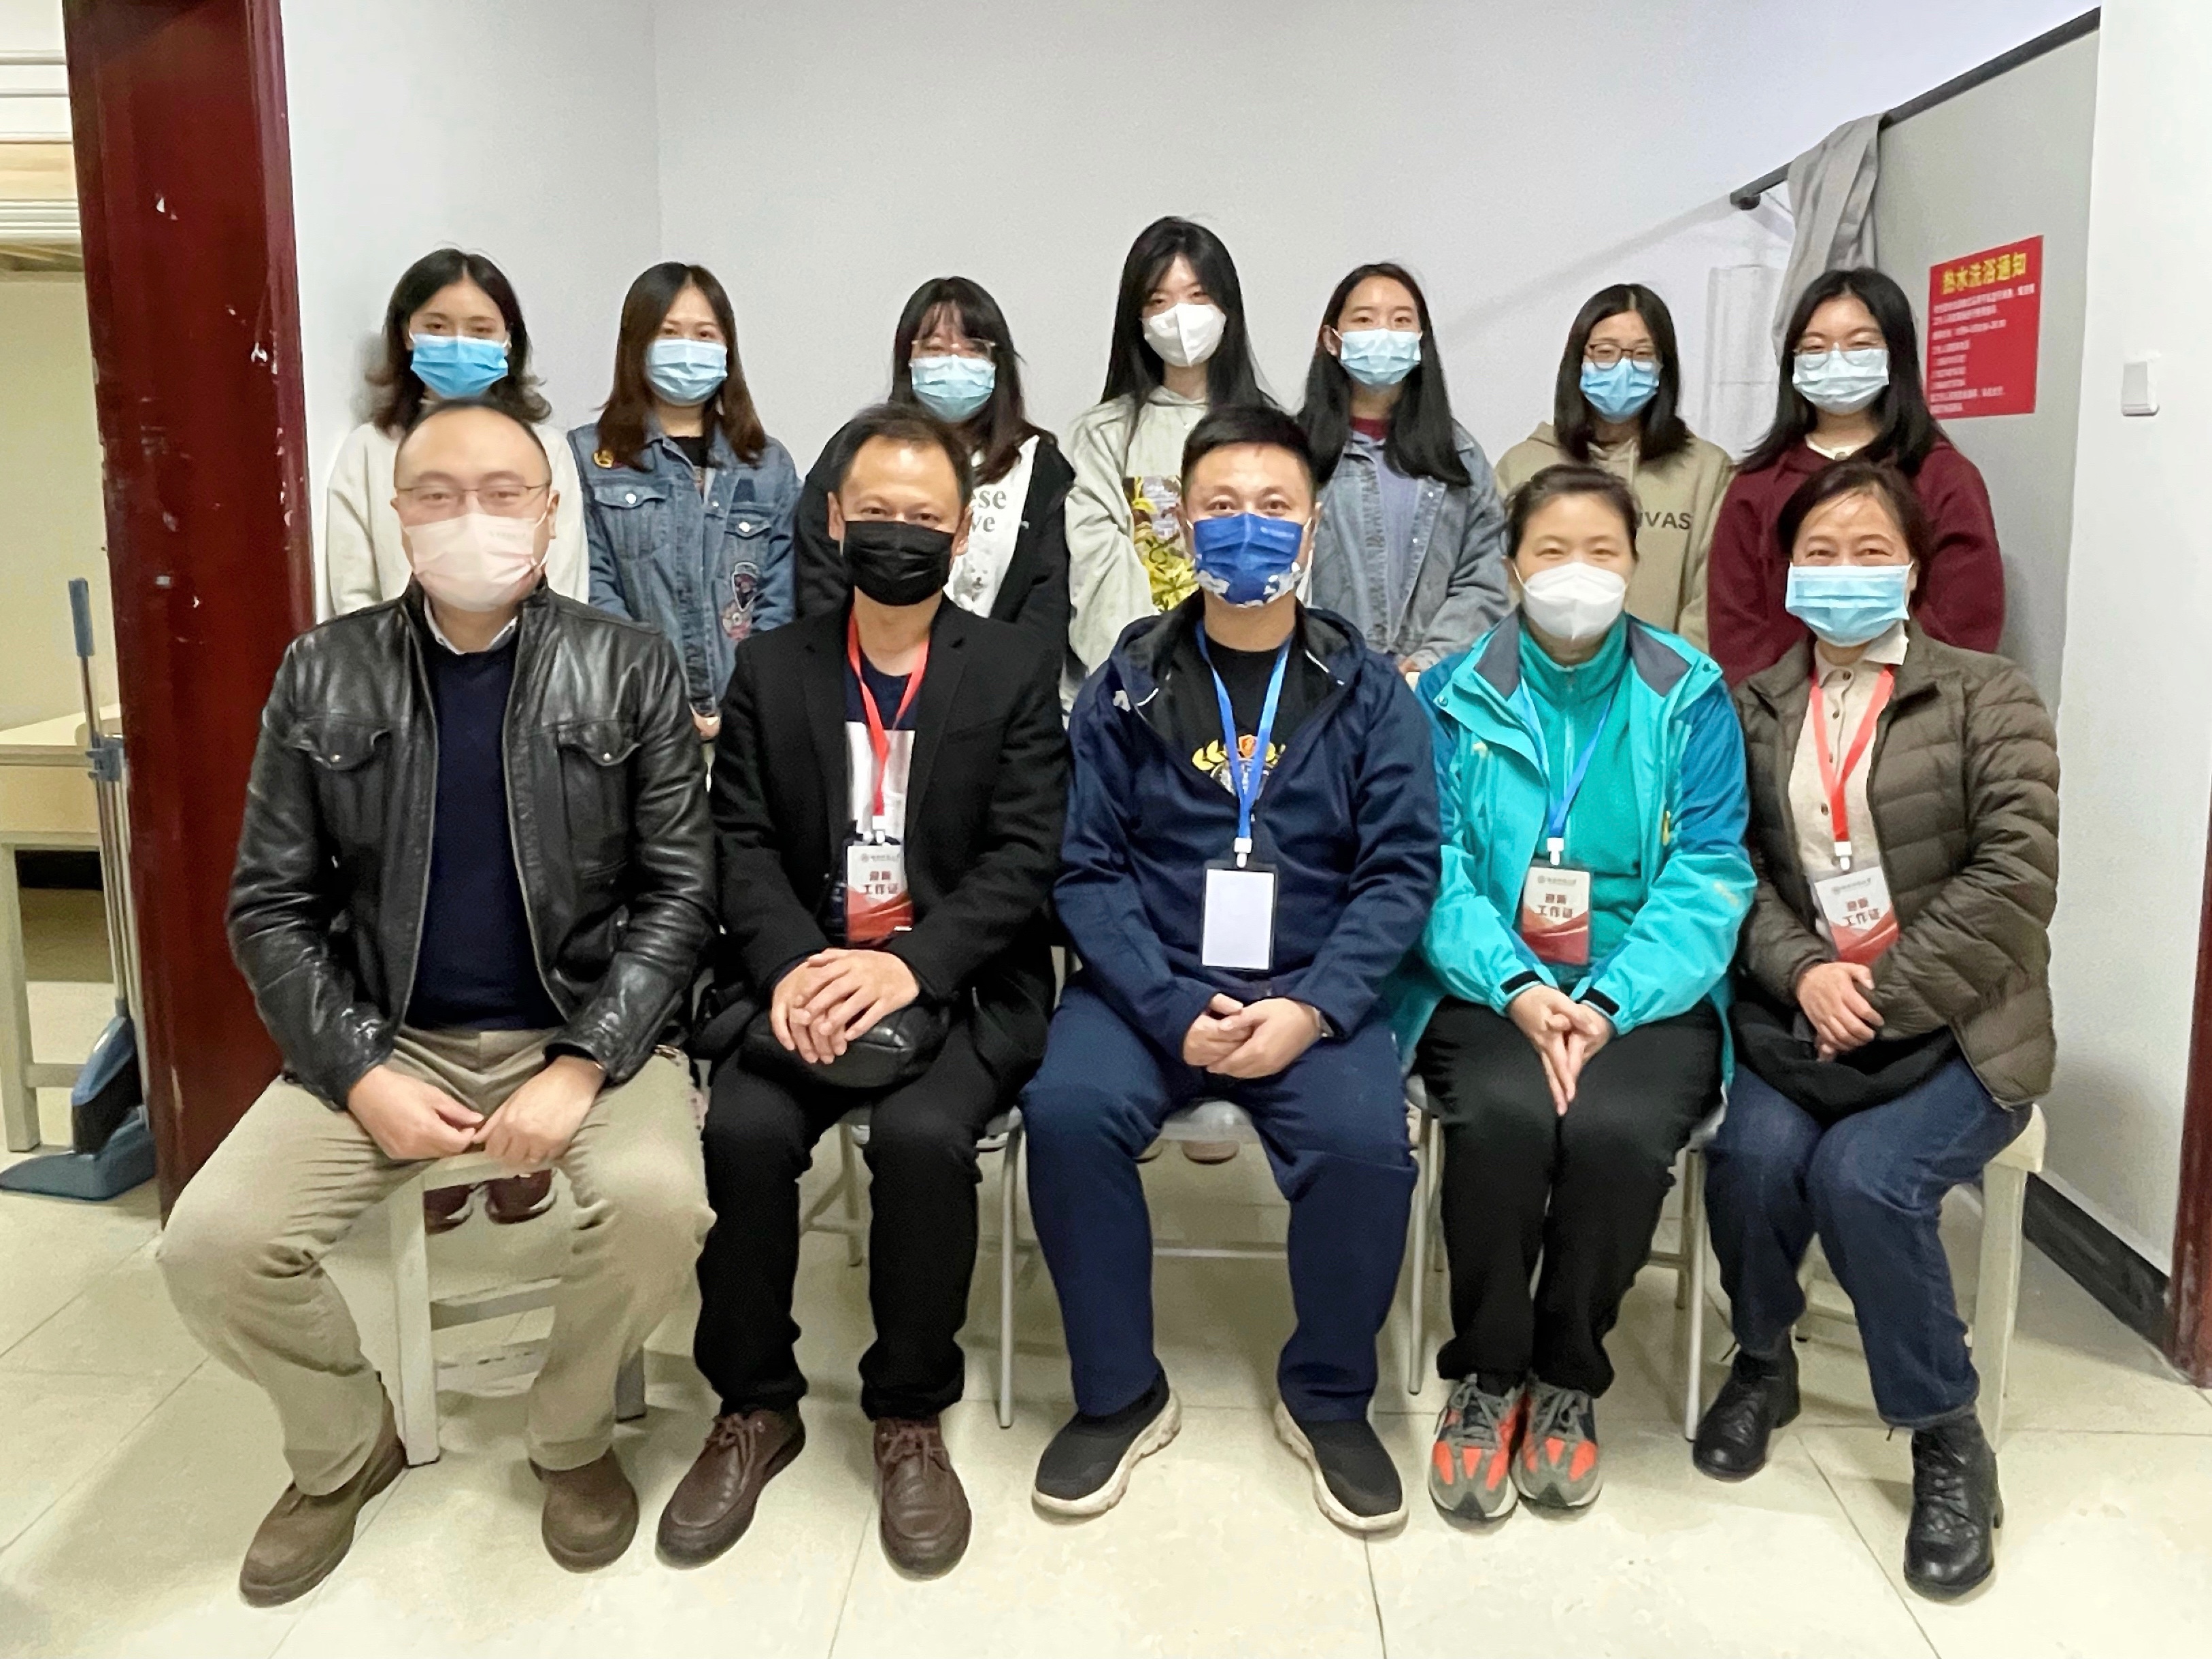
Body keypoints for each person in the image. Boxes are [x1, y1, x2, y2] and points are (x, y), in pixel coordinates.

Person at [159, 400, 716, 1601]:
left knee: (660, 1204)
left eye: (504, 492)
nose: (472, 517)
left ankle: (569, 1431)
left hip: (584, 1028)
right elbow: (269, 905)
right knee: (212, 1244)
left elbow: (681, 894)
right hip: (387, 1032)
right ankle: (342, 1442)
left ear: (549, 512)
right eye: (437, 494)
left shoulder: (629, 664)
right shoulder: (325, 670)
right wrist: (361, 1070)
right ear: (399, 513)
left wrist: (583, 1061)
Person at [1022, 405, 1439, 1535]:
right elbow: (1086, 867)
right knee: (1066, 1112)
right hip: (1147, 982)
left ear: (1313, 526)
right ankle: (1119, 1391)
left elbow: (1401, 870)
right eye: (1220, 506)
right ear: (1179, 521)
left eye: (1273, 506)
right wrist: (1165, 1005)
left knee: (1365, 1145)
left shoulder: (1368, 690)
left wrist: (1314, 1006)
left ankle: (1329, 1395)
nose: (1246, 528)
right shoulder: (1128, 681)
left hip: (1311, 984)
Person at [666, 405, 1065, 1580]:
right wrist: (795, 963)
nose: (899, 532)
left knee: (924, 1136)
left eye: (923, 516)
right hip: (800, 970)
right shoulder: (771, 666)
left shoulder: (1010, 668)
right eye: (877, 512)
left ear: (960, 532)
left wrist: (910, 963)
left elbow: (1025, 857)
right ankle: (754, 1401)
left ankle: (907, 1409)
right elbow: (738, 841)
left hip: (958, 977)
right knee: (741, 1131)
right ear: (835, 521)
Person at [1696, 459, 2056, 1601]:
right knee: (1752, 1158)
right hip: (1803, 1015)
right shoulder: (1752, 704)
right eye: (1820, 554)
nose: (1842, 573)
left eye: (1869, 553)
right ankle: (1763, 1359)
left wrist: (1880, 995)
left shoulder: (1988, 696)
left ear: (1912, 569)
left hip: (1962, 1022)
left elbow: (2014, 875)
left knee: (1863, 1177)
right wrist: (1805, 972)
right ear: (1785, 571)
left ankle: (1946, 1433)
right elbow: (1730, 866)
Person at [1401, 463, 1752, 1522]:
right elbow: (1431, 867)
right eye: (1551, 550)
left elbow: (1710, 873)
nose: (1577, 572)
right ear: (1513, 565)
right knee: (1504, 1115)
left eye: (1602, 551)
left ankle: (1566, 1372)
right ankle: (1487, 1369)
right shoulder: (1450, 694)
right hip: (1487, 977)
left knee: (1614, 1129)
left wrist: (1607, 1001)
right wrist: (1515, 983)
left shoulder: (1688, 694)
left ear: (1636, 563)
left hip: (1644, 986)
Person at [1706, 267, 2004, 684]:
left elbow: (1967, 620)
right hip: (1782, 710)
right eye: (1815, 347)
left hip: (1918, 708)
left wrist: (1895, 701)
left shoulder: (1945, 477)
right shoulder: (1755, 486)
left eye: (1860, 344)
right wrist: (1783, 705)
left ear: (1896, 353)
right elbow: (1736, 629)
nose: (1836, 360)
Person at [571, 261, 800, 739]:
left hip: (748, 721)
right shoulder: (587, 456)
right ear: (636, 344)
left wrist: (746, 702)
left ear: (727, 348)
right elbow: (596, 590)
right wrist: (661, 699)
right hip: (634, 718)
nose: (688, 349)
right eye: (669, 332)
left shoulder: (768, 463)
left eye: (705, 334)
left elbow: (778, 599)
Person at [792, 276, 1072, 648]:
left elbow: (1047, 601)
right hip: (862, 665)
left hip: (1001, 672)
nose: (954, 362)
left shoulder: (1039, 465)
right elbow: (820, 574)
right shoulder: (860, 450)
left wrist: (1007, 674)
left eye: (973, 349)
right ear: (908, 360)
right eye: (935, 348)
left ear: (997, 362)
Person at [1062, 216, 1269, 703]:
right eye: (1159, 301)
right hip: (1135, 690)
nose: (1180, 316)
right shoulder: (1103, 435)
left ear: (1227, 307)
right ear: (1136, 318)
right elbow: (1099, 580)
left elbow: (1288, 572)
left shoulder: (1270, 434)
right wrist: (1151, 678)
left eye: (1198, 296)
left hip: (1249, 689)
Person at [326, 248, 588, 618]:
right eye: (437, 327)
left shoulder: (547, 450)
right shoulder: (369, 450)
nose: (459, 342)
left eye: (480, 330)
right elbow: (355, 598)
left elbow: (565, 588)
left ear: (508, 341)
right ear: (406, 334)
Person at [1300, 261, 1510, 679]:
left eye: (1401, 321)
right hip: (1318, 681)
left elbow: (1484, 578)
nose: (1384, 333)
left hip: (1429, 685)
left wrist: (1429, 662)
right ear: (1332, 339)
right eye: (1365, 320)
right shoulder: (1291, 454)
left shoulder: (1459, 456)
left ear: (1420, 340)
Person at [1492, 283, 1732, 648]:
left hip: (1664, 677)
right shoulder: (1523, 465)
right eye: (1605, 352)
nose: (1623, 368)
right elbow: (1498, 586)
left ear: (1663, 368)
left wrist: (1672, 674)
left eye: (1642, 355)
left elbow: (1710, 601)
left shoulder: (1706, 471)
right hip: (1536, 672)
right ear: (1578, 361)